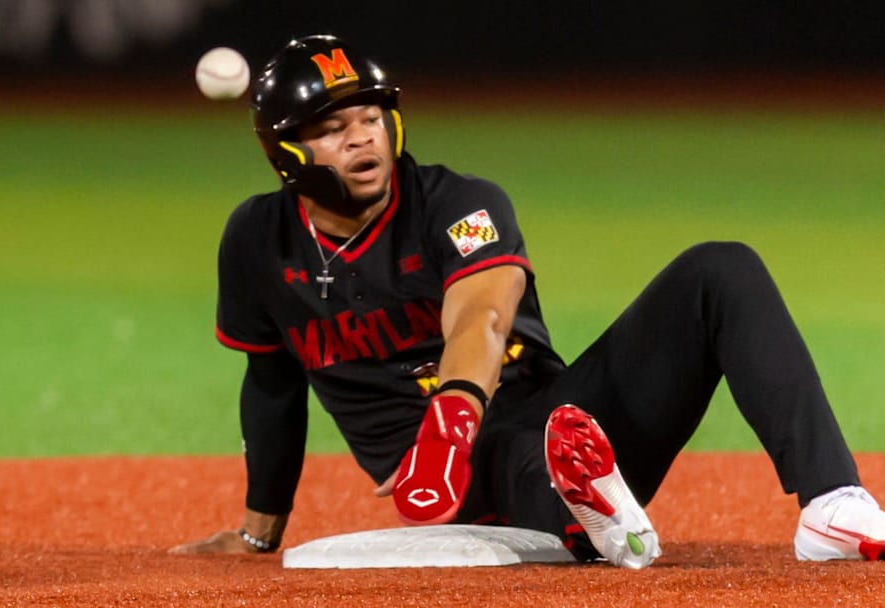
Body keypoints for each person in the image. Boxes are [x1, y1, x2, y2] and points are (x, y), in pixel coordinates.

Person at [169, 34, 885, 567]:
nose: (361, 139)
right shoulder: (257, 241)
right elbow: (270, 386)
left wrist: (453, 413)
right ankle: (586, 508)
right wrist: (260, 531)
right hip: (469, 485)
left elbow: (481, 311)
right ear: (286, 153)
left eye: (370, 117)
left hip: (549, 413)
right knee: (523, 461)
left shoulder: (456, 202)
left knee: (720, 270)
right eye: (331, 129)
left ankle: (829, 502)